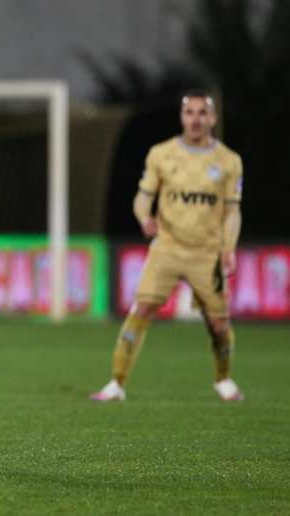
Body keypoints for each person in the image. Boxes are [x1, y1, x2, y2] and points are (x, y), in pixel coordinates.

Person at [90, 90, 244, 402]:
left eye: (203, 113)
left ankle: (223, 379)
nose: (196, 119)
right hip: (167, 248)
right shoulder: (161, 154)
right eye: (190, 112)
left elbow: (231, 210)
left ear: (212, 118)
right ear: (182, 117)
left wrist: (228, 248)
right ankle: (116, 383)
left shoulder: (229, 161)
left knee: (218, 324)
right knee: (141, 309)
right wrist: (144, 217)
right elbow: (143, 197)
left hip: (207, 252)